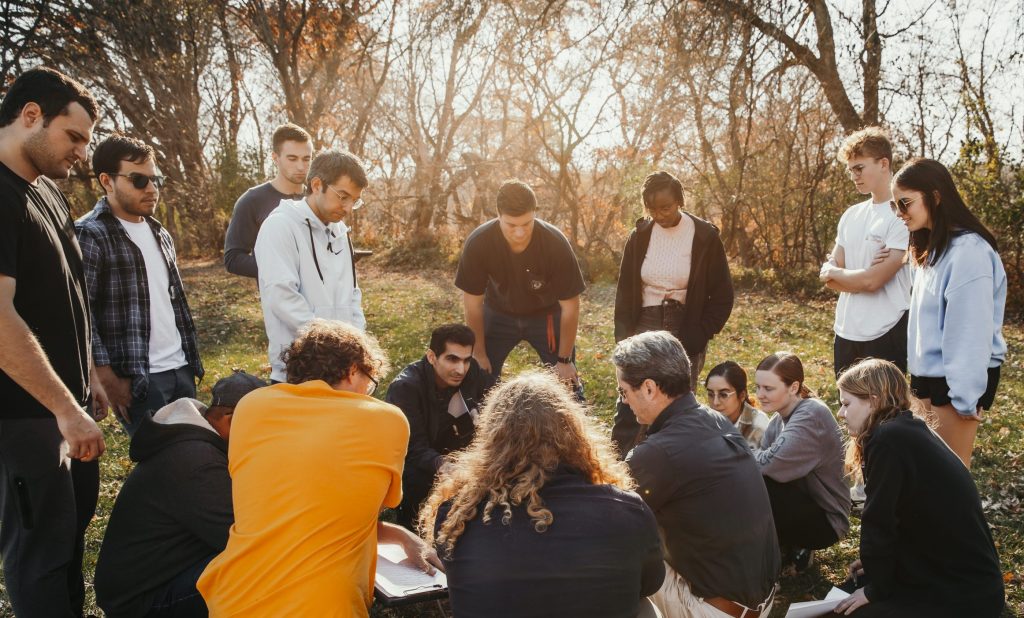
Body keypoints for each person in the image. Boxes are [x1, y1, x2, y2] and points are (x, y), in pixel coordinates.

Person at [197, 319, 440, 616]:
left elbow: (302, 512)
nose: (369, 393)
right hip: (323, 606)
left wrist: (402, 536)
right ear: (353, 370)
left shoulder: (250, 407)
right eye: (370, 383)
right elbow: (361, 514)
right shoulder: (386, 419)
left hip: (234, 598)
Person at [420, 371, 665, 618]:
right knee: (646, 607)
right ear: (574, 433)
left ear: (491, 439)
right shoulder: (627, 510)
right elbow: (651, 583)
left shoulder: (457, 516)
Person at [0, 66, 108, 617]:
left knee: (66, 541)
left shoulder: (45, 191)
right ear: (31, 115)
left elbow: (65, 295)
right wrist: (65, 408)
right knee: (38, 554)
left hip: (68, 404)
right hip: (24, 415)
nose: (81, 154)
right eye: (74, 137)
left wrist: (90, 375)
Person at [614, 331, 780, 618]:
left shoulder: (660, 453)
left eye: (623, 392)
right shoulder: (716, 420)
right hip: (758, 602)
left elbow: (604, 519)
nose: (624, 401)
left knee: (610, 549)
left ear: (650, 388)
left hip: (716, 611)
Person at [831, 359, 1004, 617]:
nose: (841, 413)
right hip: (943, 571)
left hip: (961, 592)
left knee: (850, 611)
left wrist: (876, 588)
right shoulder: (903, 428)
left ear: (875, 401)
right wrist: (878, 568)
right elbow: (908, 518)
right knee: (846, 595)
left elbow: (878, 522)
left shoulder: (888, 438)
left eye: (847, 404)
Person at [95, 370, 265, 618]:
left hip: (172, 572)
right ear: (230, 419)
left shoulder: (200, 441)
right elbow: (243, 539)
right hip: (143, 601)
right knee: (265, 568)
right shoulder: (197, 461)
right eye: (262, 426)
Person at [77, 134, 204, 436]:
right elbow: (81, 313)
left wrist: (188, 363)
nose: (151, 189)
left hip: (180, 368)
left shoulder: (160, 232)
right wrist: (106, 377)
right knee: (162, 467)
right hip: (139, 379)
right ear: (107, 181)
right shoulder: (90, 235)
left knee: (193, 454)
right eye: (138, 180)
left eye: (155, 179)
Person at [893, 157, 1005, 469]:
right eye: (895, 206)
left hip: (957, 380)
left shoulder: (970, 252)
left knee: (950, 477)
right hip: (926, 375)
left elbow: (969, 331)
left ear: (936, 196)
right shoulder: (931, 250)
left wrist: (966, 395)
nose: (900, 214)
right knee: (929, 475)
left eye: (905, 203)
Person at [612, 171, 734, 456]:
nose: (660, 214)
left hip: (685, 326)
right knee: (631, 401)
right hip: (643, 323)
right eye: (652, 209)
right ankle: (617, 469)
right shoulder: (641, 235)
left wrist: (700, 333)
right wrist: (623, 337)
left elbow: (722, 295)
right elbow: (624, 291)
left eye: (665, 207)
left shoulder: (704, 236)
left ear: (679, 201)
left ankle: (671, 464)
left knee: (676, 405)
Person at [454, 179, 586, 393]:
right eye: (511, 225)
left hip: (546, 315)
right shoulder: (479, 242)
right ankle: (476, 424)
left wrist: (564, 359)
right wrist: (478, 352)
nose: (519, 233)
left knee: (568, 384)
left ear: (535, 213)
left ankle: (574, 423)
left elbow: (571, 306)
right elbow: (473, 304)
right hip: (497, 312)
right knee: (477, 378)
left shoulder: (554, 242)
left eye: (526, 224)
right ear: (498, 215)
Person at [254, 149, 368, 383]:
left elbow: (352, 295)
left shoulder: (340, 232)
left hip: (342, 372)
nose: (347, 208)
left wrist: (356, 344)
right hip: (298, 372)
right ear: (317, 185)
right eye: (343, 196)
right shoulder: (279, 226)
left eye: (354, 201)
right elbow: (282, 298)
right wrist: (334, 347)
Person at [819, 127, 911, 377]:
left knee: (886, 414)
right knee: (849, 411)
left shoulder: (902, 215)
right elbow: (829, 278)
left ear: (883, 163)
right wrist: (847, 275)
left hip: (887, 330)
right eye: (851, 170)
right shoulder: (851, 214)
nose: (854, 176)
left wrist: (840, 273)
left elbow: (874, 281)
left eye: (859, 168)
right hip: (846, 331)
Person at [752, 352, 850, 570]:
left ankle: (783, 550)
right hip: (803, 505)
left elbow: (765, 464)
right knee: (751, 481)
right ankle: (779, 548)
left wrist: (733, 453)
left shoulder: (811, 415)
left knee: (758, 484)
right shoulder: (778, 421)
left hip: (827, 521)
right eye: (758, 387)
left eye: (768, 388)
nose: (760, 394)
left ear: (794, 387)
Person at [385, 323, 487, 530]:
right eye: (452, 359)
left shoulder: (472, 371)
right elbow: (412, 448)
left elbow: (497, 398)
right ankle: (413, 526)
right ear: (432, 357)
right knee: (416, 477)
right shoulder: (406, 388)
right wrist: (444, 466)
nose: (461, 369)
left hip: (458, 450)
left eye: (466, 360)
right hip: (417, 462)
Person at [223, 123, 313, 278]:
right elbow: (233, 259)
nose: (301, 166)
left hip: (324, 299)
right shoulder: (252, 200)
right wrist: (280, 267)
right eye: (292, 159)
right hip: (279, 299)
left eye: (306, 159)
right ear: (275, 158)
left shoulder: (317, 198)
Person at [704, 361, 770, 449]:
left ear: (742, 395)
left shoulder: (758, 424)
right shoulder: (702, 421)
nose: (715, 402)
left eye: (723, 395)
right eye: (711, 394)